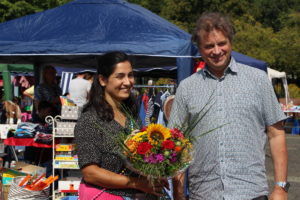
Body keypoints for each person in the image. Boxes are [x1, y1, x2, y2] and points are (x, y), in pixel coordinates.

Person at [169, 12, 288, 200]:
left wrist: (281, 187)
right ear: (199, 49)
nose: (216, 51)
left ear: (230, 41)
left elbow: (276, 133)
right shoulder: (187, 88)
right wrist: (177, 191)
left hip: (251, 192)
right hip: (204, 194)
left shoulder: (258, 80)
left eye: (221, 43)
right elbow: (175, 143)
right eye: (209, 46)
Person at [74, 51, 168, 200]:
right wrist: (137, 183)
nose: (128, 81)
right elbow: (90, 173)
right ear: (103, 80)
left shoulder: (132, 116)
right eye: (120, 76)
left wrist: (151, 174)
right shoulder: (90, 120)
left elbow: (135, 160)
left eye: (130, 75)